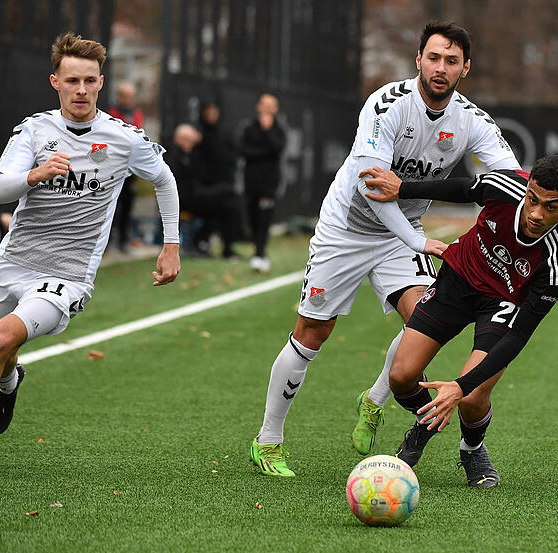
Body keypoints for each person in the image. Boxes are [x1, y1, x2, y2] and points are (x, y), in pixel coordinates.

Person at [249, 22, 520, 478]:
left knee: (425, 321)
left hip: (401, 233)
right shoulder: (387, 104)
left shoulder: (471, 120)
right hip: (347, 230)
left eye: (451, 61)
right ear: (418, 59)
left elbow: (512, 181)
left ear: (465, 69)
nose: (440, 68)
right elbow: (372, 185)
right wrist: (418, 240)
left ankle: (374, 400)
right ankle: (268, 441)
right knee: (313, 333)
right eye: (433, 58)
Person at [0, 32, 180, 458]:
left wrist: (171, 244)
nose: (81, 90)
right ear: (55, 82)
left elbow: (164, 179)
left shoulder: (123, 137)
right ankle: (10, 382)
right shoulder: (34, 131)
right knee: (0, 341)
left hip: (67, 275)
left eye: (90, 80)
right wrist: (35, 175)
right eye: (72, 81)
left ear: (101, 82)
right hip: (15, 262)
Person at [360, 154, 558, 487]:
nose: (536, 214)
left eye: (551, 207)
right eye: (533, 200)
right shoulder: (504, 186)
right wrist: (402, 188)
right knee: (401, 376)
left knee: (473, 397)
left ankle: (472, 448)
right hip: (458, 279)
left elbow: (519, 335)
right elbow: (462, 188)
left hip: (504, 303)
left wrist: (460, 387)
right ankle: (425, 422)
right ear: (527, 187)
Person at [239, 93, 286, 273]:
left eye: (271, 105)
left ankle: (260, 254)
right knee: (252, 217)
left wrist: (267, 132)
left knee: (265, 218)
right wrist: (263, 152)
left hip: (269, 183)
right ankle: (257, 251)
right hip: (251, 181)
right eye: (264, 104)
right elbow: (244, 150)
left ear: (275, 109)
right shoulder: (249, 127)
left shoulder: (279, 129)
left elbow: (277, 149)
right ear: (258, 106)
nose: (267, 108)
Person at [194, 100, 241, 258]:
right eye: (209, 111)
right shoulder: (198, 134)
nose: (212, 115)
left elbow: (233, 156)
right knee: (222, 204)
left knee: (228, 206)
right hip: (203, 188)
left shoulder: (225, 132)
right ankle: (202, 241)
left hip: (221, 187)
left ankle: (226, 247)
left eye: (214, 111)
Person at [107, 82, 144, 251]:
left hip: (131, 167)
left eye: (131, 96)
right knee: (111, 204)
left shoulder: (137, 114)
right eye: (125, 96)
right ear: (120, 97)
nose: (128, 100)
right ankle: (106, 242)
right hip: (114, 167)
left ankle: (123, 240)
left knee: (128, 204)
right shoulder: (111, 114)